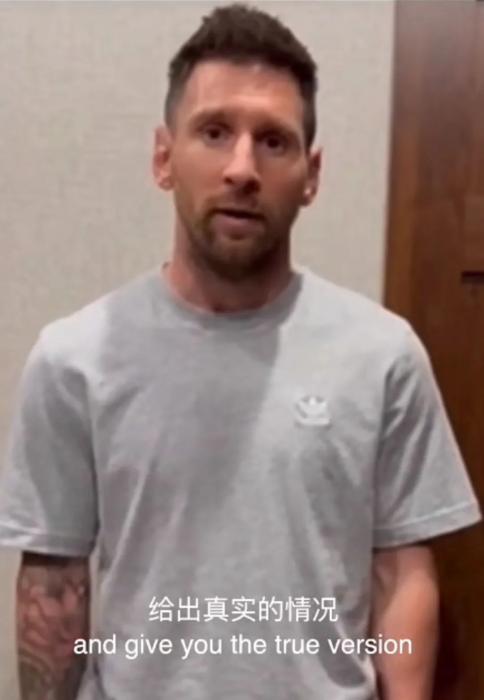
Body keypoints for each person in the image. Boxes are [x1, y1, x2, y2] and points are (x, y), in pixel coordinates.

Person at [0, 3, 481, 699]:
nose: (242, 168)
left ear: (312, 174)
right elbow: (53, 584)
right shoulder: (74, 359)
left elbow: (399, 572)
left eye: (274, 141)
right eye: (215, 131)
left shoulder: (382, 356)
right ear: (164, 158)